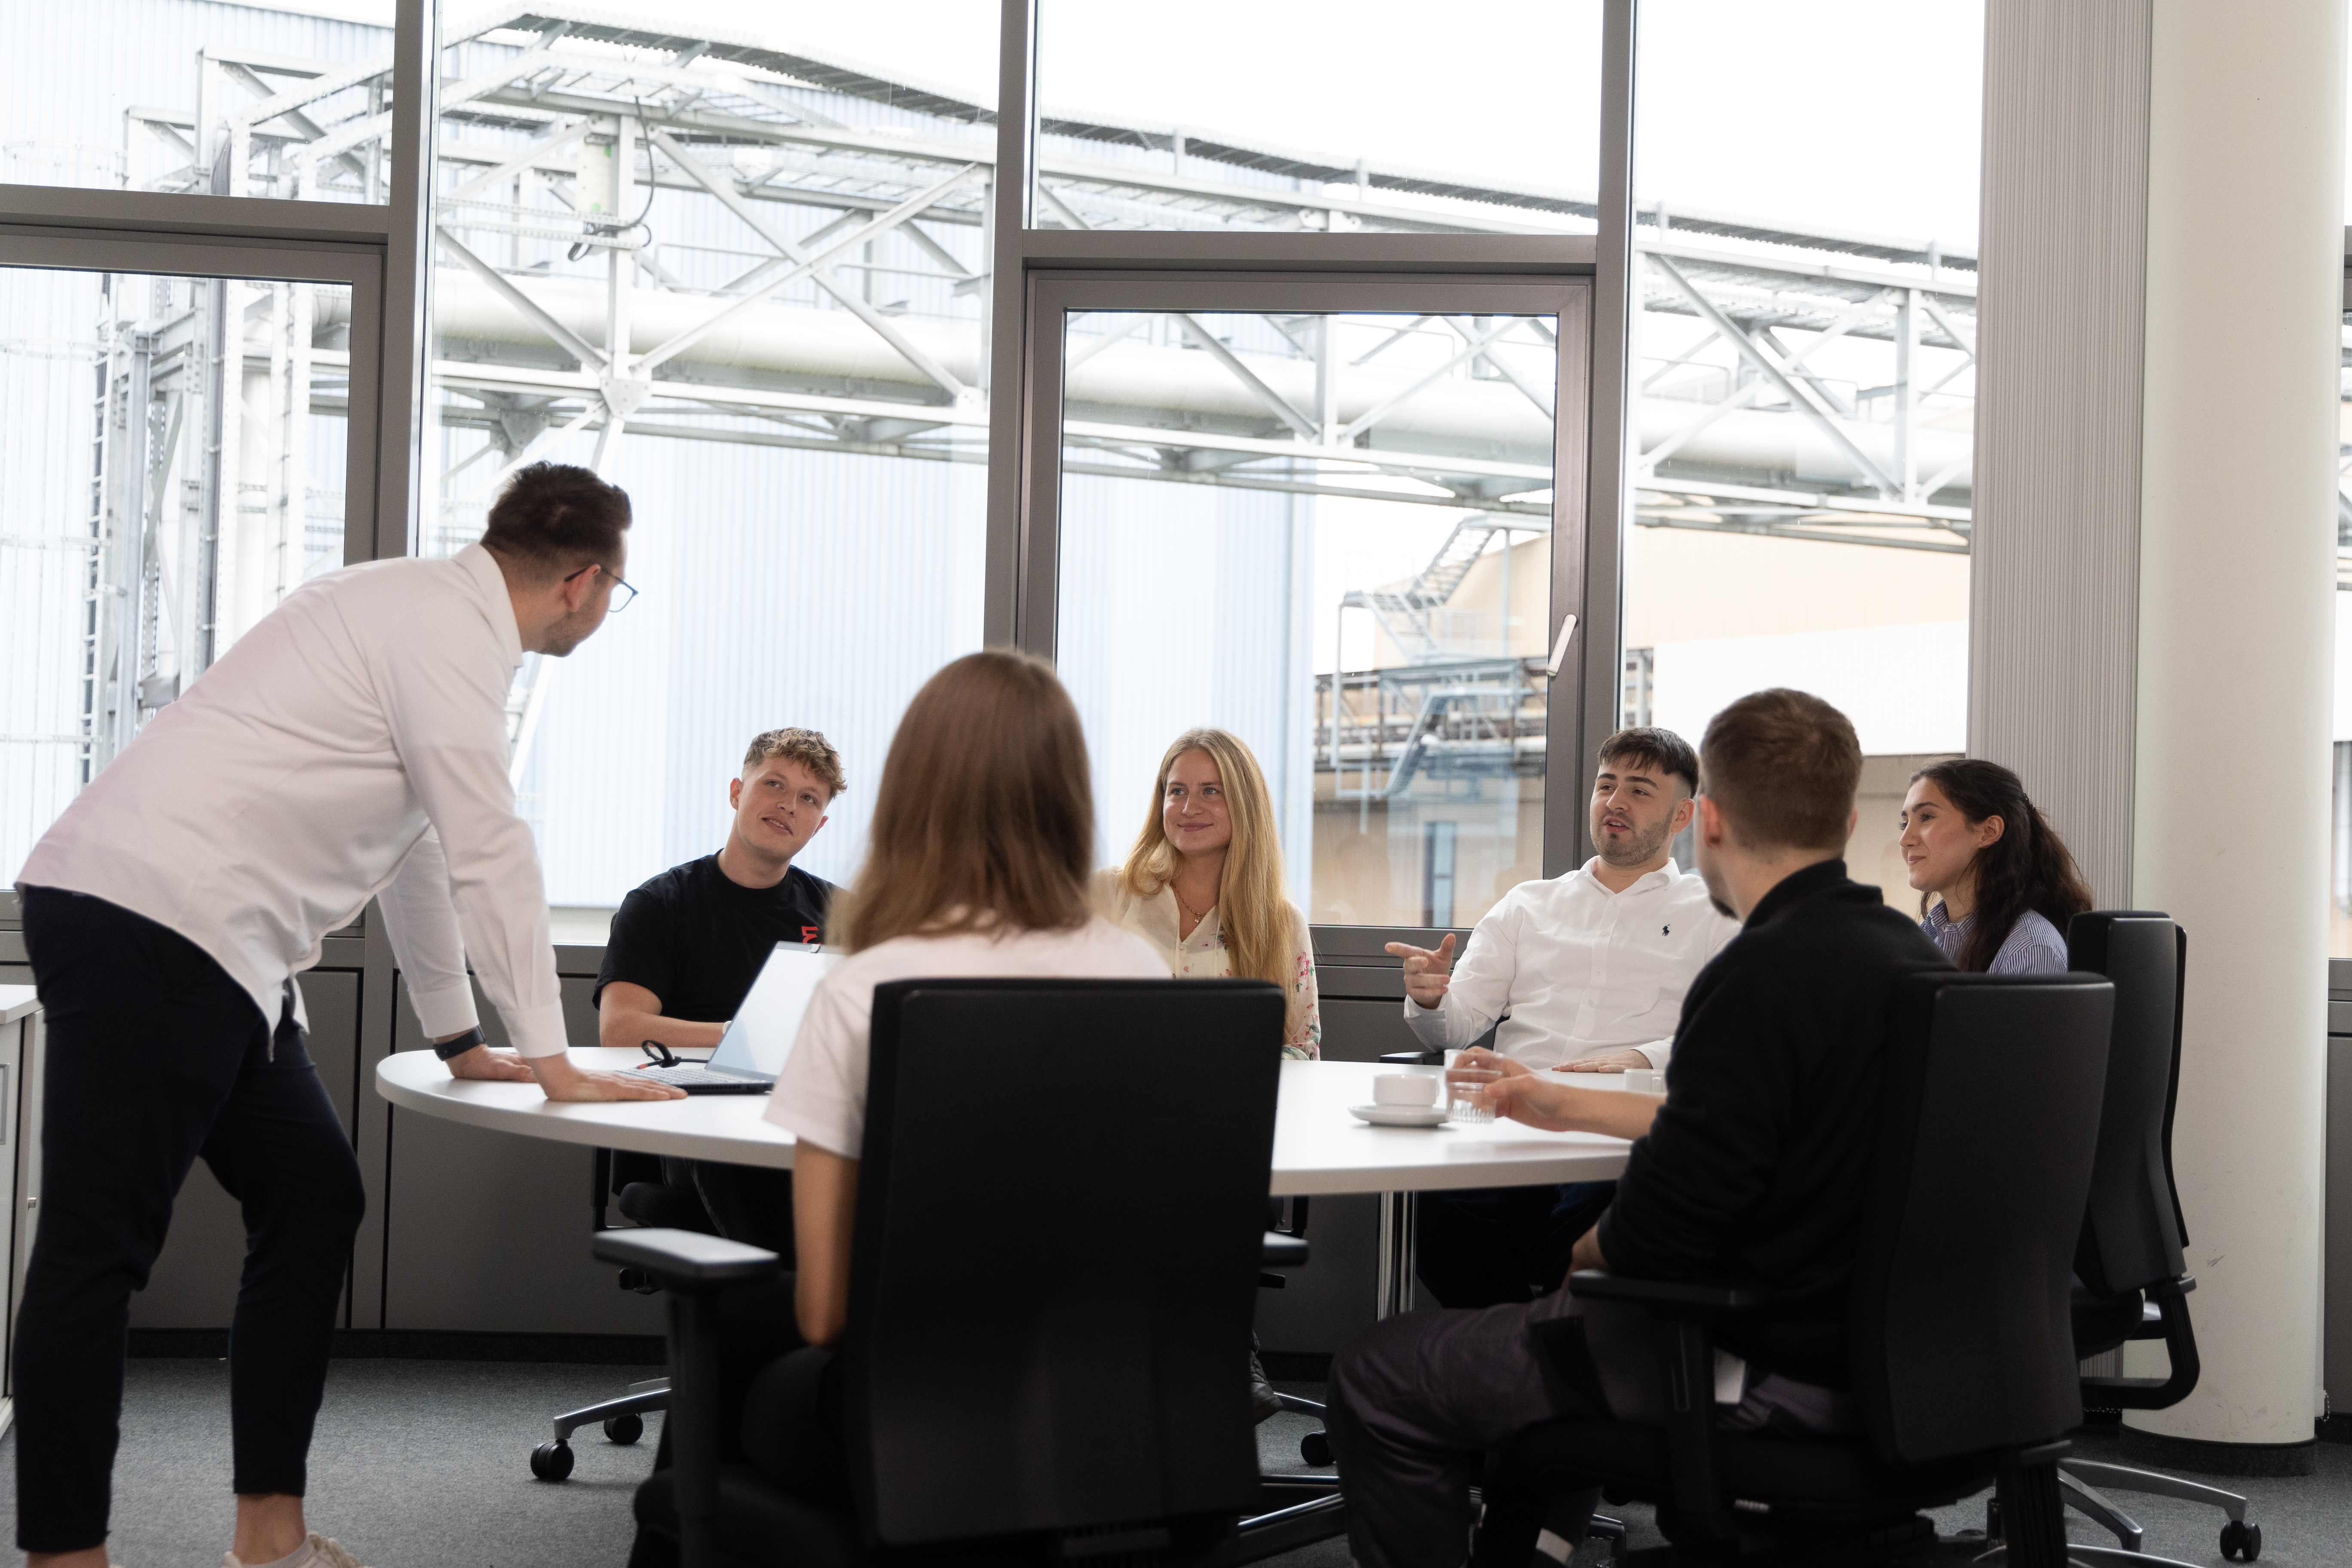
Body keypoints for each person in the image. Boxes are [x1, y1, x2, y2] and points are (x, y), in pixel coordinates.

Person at [11, 462, 683, 1568]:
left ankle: (270, 1536)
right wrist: (554, 1058)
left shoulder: (398, 602)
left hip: (223, 947)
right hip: (155, 916)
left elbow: (416, 849)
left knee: (316, 1198)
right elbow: (490, 848)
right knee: (99, 1249)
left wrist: (461, 1038)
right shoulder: (448, 636)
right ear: (586, 582)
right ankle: (64, 1556)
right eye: (619, 591)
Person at [1323, 689, 1953, 1568]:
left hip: (1753, 1364)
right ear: (1847, 823)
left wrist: (1579, 1271)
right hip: (1907, 1367)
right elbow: (1771, 1124)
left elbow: (1641, 1239)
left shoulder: (1757, 972)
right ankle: (1534, 1523)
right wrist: (1563, 1104)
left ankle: (1530, 1502)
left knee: (1377, 1370)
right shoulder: (1908, 955)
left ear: (1707, 821)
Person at [1381, 728, 1739, 1308]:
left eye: (1639, 790)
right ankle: (1521, 1342)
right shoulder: (1529, 904)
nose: (1615, 802)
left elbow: (1728, 1038)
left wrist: (1643, 1056)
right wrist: (1429, 999)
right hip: (1511, 1121)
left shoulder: (1716, 916)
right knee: (1438, 1206)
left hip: (1616, 1132)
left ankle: (1543, 1345)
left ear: (1682, 815)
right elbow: (1455, 1026)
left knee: (1596, 1208)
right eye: (1606, 786)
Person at [595, 728, 845, 1249]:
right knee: (732, 1139)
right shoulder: (660, 904)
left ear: (819, 824)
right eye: (774, 784)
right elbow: (620, 1029)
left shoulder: (839, 914)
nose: (788, 805)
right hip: (692, 1119)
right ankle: (795, 1294)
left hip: (801, 1112)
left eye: (808, 799)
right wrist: (738, 1036)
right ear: (737, 792)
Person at [1093, 727, 1321, 1059]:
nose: (1189, 808)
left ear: (1245, 803)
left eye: (1211, 791)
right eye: (1178, 791)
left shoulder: (1281, 922)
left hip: (1233, 1093)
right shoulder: (1108, 894)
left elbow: (1303, 1049)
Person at [1901, 757, 2092, 975]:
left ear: (1989, 831)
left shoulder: (2029, 949)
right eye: (1904, 824)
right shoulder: (1927, 938)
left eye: (1926, 817)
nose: (1905, 839)